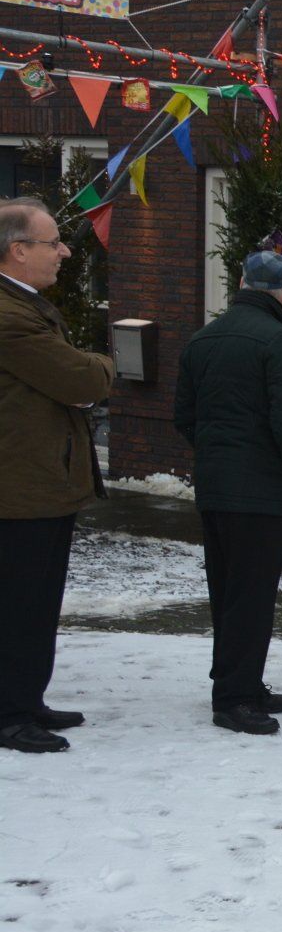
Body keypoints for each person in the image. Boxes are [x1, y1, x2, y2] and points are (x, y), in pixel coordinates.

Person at [173, 243, 282, 735]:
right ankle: (235, 698)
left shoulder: (203, 339)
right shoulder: (280, 342)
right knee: (252, 597)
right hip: (259, 491)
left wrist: (219, 455)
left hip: (216, 487)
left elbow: (185, 417)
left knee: (228, 591)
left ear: (241, 285)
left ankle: (242, 684)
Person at [0, 196, 113, 754]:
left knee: (38, 603)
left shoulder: (24, 306)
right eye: (53, 243)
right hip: (19, 489)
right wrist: (104, 365)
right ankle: (9, 712)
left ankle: (26, 700)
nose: (64, 252)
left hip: (39, 484)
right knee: (20, 604)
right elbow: (81, 380)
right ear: (18, 251)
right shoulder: (10, 318)